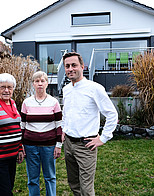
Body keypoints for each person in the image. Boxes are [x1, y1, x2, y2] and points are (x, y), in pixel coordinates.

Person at [62, 52, 118, 195]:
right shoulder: (66, 89)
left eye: (74, 65)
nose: (70, 69)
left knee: (86, 188)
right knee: (73, 183)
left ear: (82, 66)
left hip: (86, 145)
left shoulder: (94, 88)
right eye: (67, 66)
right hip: (68, 144)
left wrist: (103, 138)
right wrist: (64, 130)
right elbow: (66, 113)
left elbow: (112, 114)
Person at [20, 71, 62, 196]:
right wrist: (21, 145)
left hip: (49, 146)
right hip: (30, 146)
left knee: (50, 177)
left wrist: (58, 145)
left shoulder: (54, 102)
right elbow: (22, 126)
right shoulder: (26, 102)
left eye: (42, 81)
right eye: (37, 81)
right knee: (33, 179)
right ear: (33, 84)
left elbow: (59, 125)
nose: (40, 84)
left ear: (47, 83)